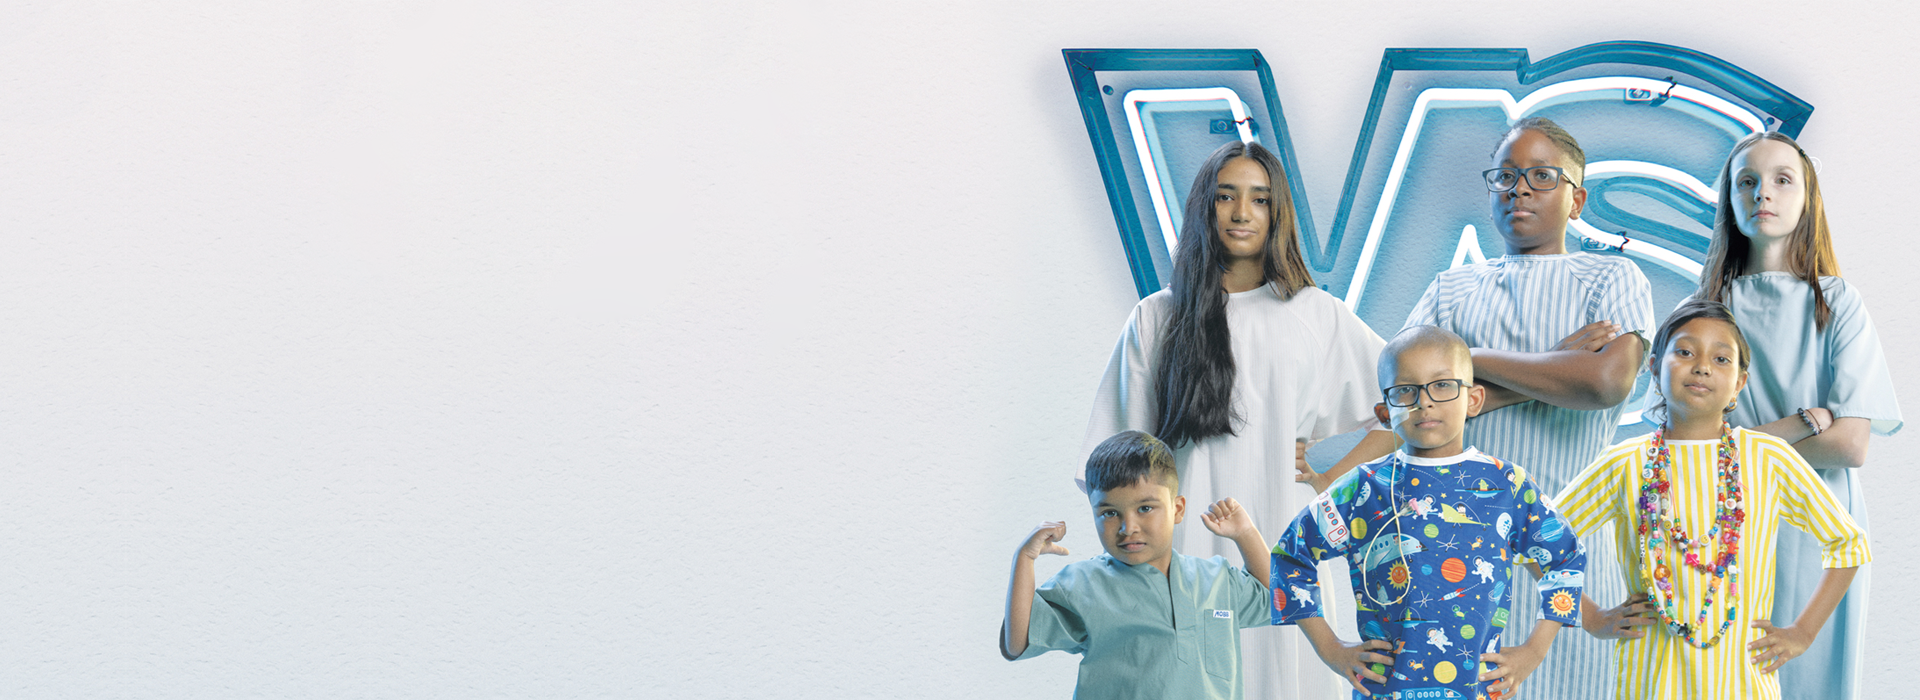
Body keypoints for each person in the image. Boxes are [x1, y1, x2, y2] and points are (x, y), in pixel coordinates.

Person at [1308, 117, 1652, 700]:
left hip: (1569, 545)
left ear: (1577, 198)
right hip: (1448, 549)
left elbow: (1604, 382)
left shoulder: (1610, 276)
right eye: (1507, 176)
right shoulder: (1451, 288)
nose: (1520, 188)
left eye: (1542, 176)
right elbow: (1406, 400)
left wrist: (1461, 366)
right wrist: (1550, 363)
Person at [1081, 140, 1396, 698]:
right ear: (1206, 207)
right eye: (1226, 196)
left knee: (1284, 676)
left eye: (1259, 198)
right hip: (1184, 546)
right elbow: (1113, 461)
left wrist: (1330, 478)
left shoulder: (1313, 313)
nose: (1242, 212)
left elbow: (1406, 407)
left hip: (1287, 536)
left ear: (1278, 213)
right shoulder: (1158, 316)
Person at [1552, 300, 1869, 699]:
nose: (1702, 366)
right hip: (1650, 683)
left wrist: (1802, 633)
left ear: (1738, 382)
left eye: (1721, 358)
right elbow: (1539, 537)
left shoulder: (1765, 457)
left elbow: (1848, 542)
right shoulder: (1625, 462)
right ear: (1653, 366)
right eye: (1685, 352)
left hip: (1743, 684)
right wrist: (1592, 618)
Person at [1688, 132, 1902, 700]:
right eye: (1747, 181)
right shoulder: (1703, 312)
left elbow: (1851, 446)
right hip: (1721, 530)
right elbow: (1690, 450)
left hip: (1820, 531)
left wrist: (1736, 445)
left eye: (1783, 179)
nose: (1764, 193)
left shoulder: (1839, 303)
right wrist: (1806, 423)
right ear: (1729, 202)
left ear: (1807, 197)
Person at [1272, 326, 1585, 699]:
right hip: (1385, 690)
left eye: (1442, 385)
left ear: (1473, 399)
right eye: (1406, 390)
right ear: (1385, 412)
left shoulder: (1507, 484)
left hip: (1479, 690)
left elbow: (1565, 558)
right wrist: (1331, 650)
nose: (1425, 402)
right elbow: (1291, 557)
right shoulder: (1362, 487)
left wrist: (1533, 652)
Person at [1004, 430, 1272, 699]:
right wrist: (1024, 559)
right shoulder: (1083, 584)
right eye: (1110, 513)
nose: (1128, 527)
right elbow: (1018, 642)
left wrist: (1246, 534)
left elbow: (1278, 599)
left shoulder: (1216, 580)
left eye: (1145, 508)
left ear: (1177, 509)